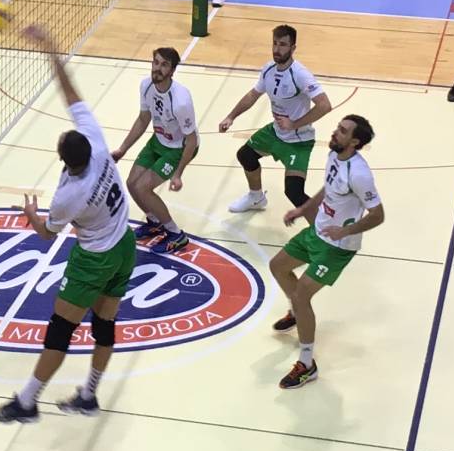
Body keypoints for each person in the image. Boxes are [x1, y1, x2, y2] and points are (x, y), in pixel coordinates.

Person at [0, 25, 136, 423]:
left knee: (60, 330)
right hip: (125, 244)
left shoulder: (69, 195)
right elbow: (73, 97)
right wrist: (52, 50)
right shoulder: (98, 145)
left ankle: (27, 402)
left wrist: (31, 214)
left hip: (95, 258)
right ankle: (88, 395)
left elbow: (47, 233)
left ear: (63, 158)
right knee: (104, 324)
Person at [270, 115, 384, 389]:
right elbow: (328, 187)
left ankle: (307, 364)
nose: (335, 133)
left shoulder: (359, 174)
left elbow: (378, 215)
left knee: (302, 295)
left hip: (336, 247)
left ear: (354, 142)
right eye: (338, 128)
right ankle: (298, 314)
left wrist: (345, 231)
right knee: (278, 267)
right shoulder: (334, 155)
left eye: (342, 131)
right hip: (318, 231)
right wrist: (303, 209)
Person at [218, 25, 332, 217]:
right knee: (246, 155)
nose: (277, 49)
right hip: (276, 132)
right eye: (275, 43)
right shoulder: (269, 69)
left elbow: (325, 105)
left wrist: (294, 124)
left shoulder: (300, 74)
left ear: (293, 48)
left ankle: (325, 226)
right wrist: (231, 116)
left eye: (283, 45)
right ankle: (256, 197)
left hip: (298, 141)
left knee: (294, 192)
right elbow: (253, 95)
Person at [112, 47, 199, 254]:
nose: (157, 68)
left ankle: (176, 234)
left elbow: (192, 140)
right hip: (158, 141)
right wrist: (123, 149)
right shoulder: (146, 86)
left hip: (179, 148)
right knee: (132, 184)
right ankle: (154, 222)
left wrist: (178, 174)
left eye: (164, 65)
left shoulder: (180, 101)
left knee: (143, 187)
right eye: (156, 62)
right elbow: (143, 119)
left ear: (172, 71)